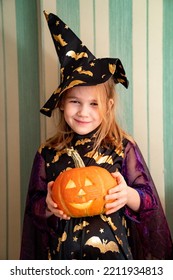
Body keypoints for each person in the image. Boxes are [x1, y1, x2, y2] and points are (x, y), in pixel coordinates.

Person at [20, 11, 173, 260]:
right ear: (60, 103)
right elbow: (33, 209)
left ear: (109, 106)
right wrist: (47, 205)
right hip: (63, 261)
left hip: (115, 261)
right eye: (74, 101)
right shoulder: (48, 152)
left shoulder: (121, 146)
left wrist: (128, 195)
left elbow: (148, 201)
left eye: (94, 103)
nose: (83, 112)